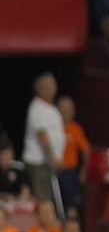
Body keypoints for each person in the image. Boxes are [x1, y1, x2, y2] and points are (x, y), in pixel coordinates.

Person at [22, 73, 65, 203]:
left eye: (53, 86)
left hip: (46, 164)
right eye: (49, 86)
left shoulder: (50, 108)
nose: (52, 89)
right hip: (38, 163)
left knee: (49, 198)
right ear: (40, 89)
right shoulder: (37, 108)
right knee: (43, 200)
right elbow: (43, 136)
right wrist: (53, 159)